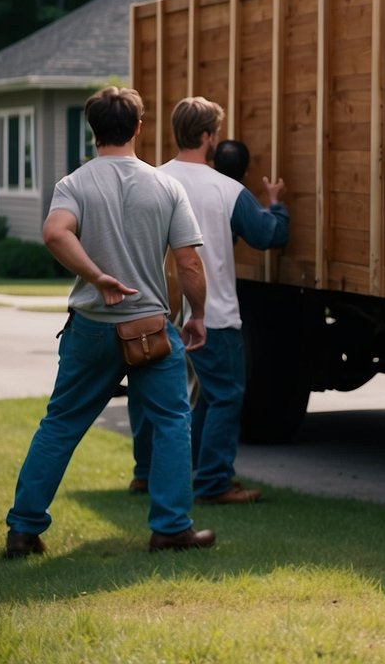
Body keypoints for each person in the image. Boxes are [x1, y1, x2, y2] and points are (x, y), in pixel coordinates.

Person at [4, 86, 214, 557]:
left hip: (90, 329)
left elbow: (55, 233)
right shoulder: (166, 185)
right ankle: (171, 528)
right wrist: (197, 316)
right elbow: (190, 264)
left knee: (59, 425)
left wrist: (96, 276)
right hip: (151, 332)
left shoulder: (73, 184)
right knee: (172, 423)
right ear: (139, 127)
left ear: (92, 129)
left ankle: (23, 530)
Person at [129, 98, 289, 505]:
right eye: (215, 132)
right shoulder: (227, 188)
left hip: (154, 311)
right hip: (211, 313)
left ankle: (154, 474)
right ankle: (215, 482)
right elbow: (268, 236)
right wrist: (276, 205)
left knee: (169, 398)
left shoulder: (150, 179)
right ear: (205, 137)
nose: (217, 139)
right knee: (225, 395)